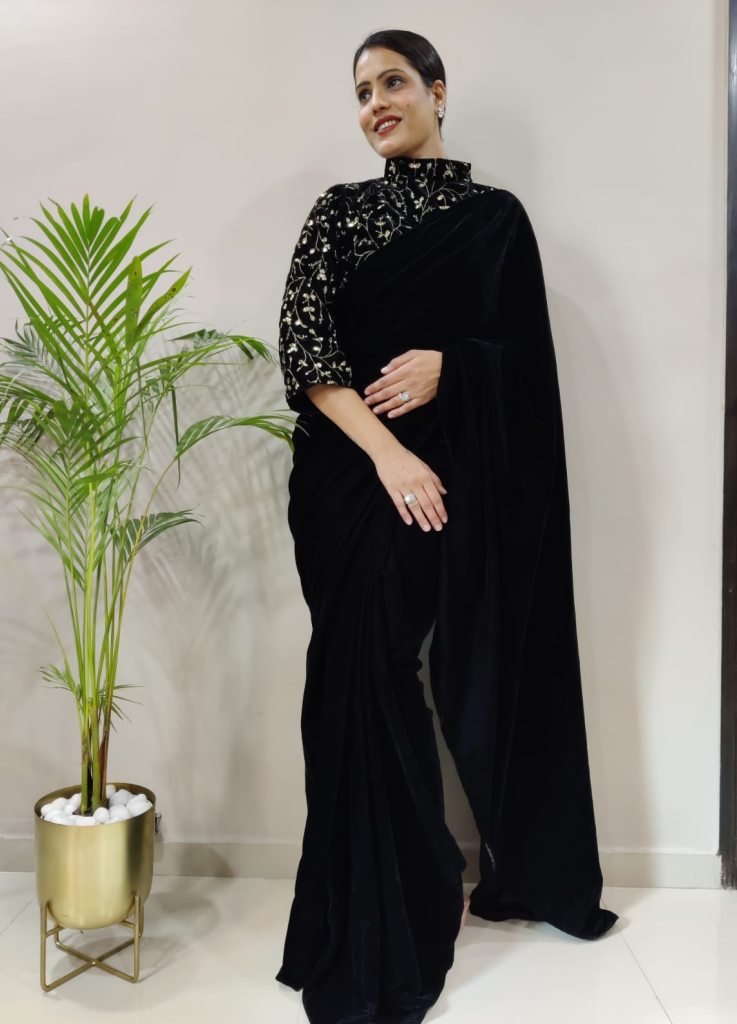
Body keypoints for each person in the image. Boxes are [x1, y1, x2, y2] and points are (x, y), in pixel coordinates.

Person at [275, 27, 619, 1024]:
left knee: (388, 671)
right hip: (349, 481)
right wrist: (388, 454)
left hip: (448, 485)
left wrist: (452, 366)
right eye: (360, 92)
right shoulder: (338, 212)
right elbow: (305, 348)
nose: (375, 104)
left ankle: (416, 889)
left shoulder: (494, 220)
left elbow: (526, 365)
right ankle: (377, 897)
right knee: (348, 678)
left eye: (392, 82)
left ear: (436, 91)